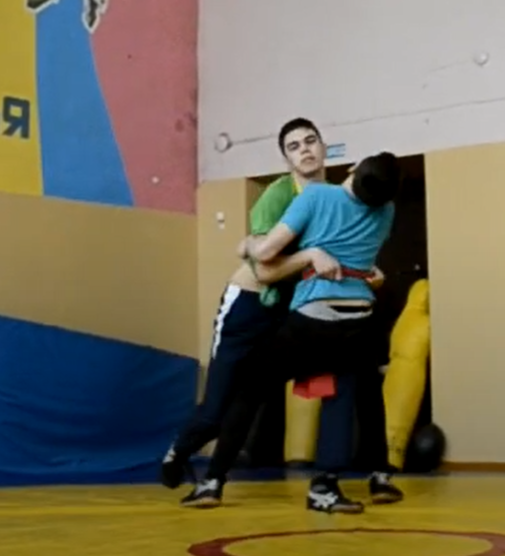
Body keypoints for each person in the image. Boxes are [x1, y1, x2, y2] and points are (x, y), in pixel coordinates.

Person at [180, 152, 405, 513]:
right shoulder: (387, 211)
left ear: (353, 168)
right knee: (341, 393)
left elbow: (266, 252)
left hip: (315, 317)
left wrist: (248, 244)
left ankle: (212, 482)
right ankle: (325, 488)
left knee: (251, 389)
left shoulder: (316, 195)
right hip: (359, 320)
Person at [160, 118, 336, 492]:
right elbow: (266, 270)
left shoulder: (333, 198)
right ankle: (178, 451)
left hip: (286, 313)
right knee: (216, 409)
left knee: (251, 400)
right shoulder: (279, 194)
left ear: (323, 147)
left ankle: (214, 482)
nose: (305, 150)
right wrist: (305, 256)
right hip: (246, 306)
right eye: (294, 146)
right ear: (287, 159)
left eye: (310, 141)